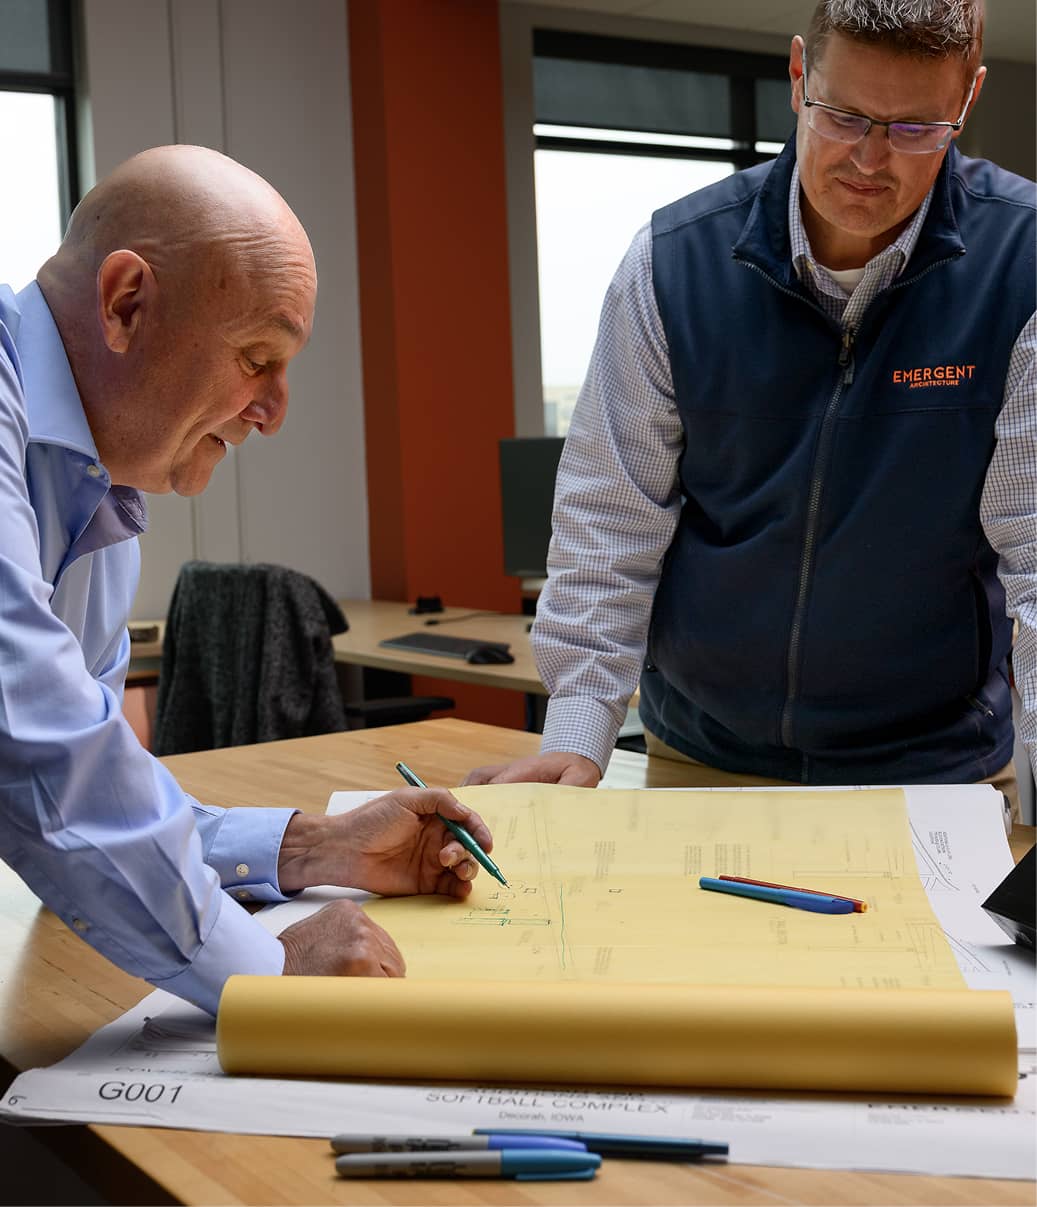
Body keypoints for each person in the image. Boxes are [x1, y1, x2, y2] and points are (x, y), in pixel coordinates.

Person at [467, 0, 1036, 815]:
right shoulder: (672, 264)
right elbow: (610, 516)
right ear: (799, 74)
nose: (869, 159)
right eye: (843, 116)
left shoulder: (1020, 265)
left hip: (935, 772)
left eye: (914, 129)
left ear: (966, 100)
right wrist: (576, 732)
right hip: (704, 757)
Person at [0, 144, 494, 1016]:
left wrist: (313, 847)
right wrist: (268, 969)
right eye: (256, 357)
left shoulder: (98, 496)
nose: (273, 411)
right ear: (126, 304)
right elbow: (41, 756)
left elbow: (98, 789)